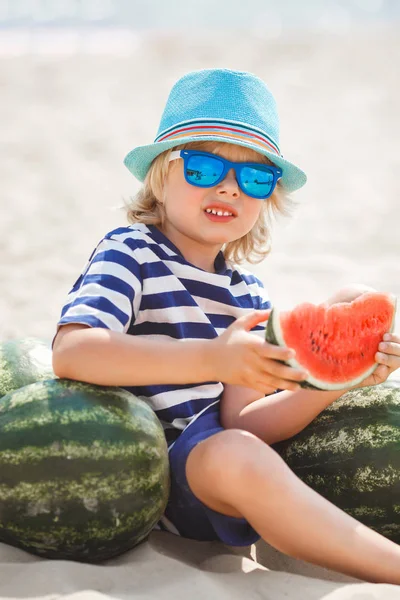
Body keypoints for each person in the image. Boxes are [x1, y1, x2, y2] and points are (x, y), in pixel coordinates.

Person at [52, 69, 400, 583]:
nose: (229, 188)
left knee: (353, 300)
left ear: (267, 200)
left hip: (225, 466)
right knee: (233, 453)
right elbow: (73, 352)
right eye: (202, 167)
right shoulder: (130, 253)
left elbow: (245, 422)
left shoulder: (248, 295)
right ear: (160, 177)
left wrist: (332, 384)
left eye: (255, 178)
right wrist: (211, 357)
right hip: (151, 471)